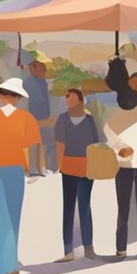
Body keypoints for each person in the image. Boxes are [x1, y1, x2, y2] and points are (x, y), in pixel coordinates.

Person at [0, 77, 40, 274]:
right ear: (18, 98)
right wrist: (34, 171)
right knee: (12, 216)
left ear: (1, 95)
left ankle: (7, 264)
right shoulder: (26, 118)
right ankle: (6, 265)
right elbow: (33, 146)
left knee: (5, 216)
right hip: (15, 171)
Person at [106, 59, 137, 258]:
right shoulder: (124, 108)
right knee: (123, 207)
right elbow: (107, 129)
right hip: (124, 166)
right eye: (134, 82)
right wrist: (120, 147)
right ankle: (121, 247)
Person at [55, 88, 99, 261]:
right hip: (68, 167)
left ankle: (89, 247)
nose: (69, 102)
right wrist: (61, 166)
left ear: (81, 101)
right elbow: (59, 144)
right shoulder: (62, 119)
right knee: (69, 208)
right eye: (68, 100)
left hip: (87, 167)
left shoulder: (89, 120)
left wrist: (95, 166)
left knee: (85, 206)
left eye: (73, 100)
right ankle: (68, 250)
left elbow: (95, 143)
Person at [25, 60, 53, 177]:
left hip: (41, 117)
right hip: (34, 117)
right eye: (42, 69)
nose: (44, 71)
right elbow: (35, 101)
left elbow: (44, 100)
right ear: (33, 69)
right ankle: (34, 169)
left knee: (40, 142)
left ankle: (39, 168)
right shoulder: (29, 83)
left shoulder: (43, 82)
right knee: (34, 142)